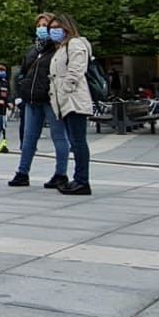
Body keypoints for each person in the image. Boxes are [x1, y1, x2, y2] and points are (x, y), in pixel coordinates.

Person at [9, 13, 69, 189]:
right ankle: (22, 172)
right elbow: (23, 72)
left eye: (46, 25)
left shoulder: (59, 50)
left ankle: (61, 174)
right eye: (39, 25)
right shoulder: (33, 50)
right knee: (28, 138)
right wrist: (20, 92)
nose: (42, 28)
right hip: (31, 99)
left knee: (58, 136)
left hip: (51, 99)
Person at [49, 14, 94, 195]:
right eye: (51, 28)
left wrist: (66, 88)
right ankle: (78, 179)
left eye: (57, 27)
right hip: (65, 101)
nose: (53, 31)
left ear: (67, 28)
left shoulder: (75, 44)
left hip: (73, 100)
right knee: (75, 142)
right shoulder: (61, 48)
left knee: (78, 141)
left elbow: (76, 70)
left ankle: (82, 181)